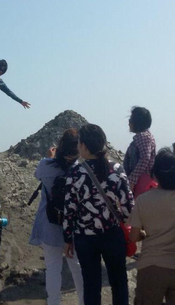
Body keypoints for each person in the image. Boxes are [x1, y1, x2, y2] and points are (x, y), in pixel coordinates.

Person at [63, 124, 134, 305]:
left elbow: (69, 210)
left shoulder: (75, 172)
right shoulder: (116, 169)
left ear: (84, 146)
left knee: (91, 286)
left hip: (85, 239)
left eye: (79, 143)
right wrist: (121, 220)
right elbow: (128, 206)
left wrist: (67, 239)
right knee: (119, 282)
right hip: (112, 235)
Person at [29, 129, 84, 305]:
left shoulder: (46, 165)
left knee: (52, 268)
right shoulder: (80, 170)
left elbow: (38, 176)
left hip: (50, 223)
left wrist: (50, 158)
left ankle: (53, 302)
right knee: (77, 268)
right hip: (74, 225)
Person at [129, 146, 175, 304]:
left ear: (155, 173)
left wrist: (146, 233)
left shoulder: (143, 200)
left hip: (151, 266)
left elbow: (133, 236)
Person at [123, 106, 157, 198]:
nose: (129, 123)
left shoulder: (143, 137)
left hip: (141, 182)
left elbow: (145, 158)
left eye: (131, 120)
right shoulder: (143, 137)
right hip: (140, 181)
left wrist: (132, 179)